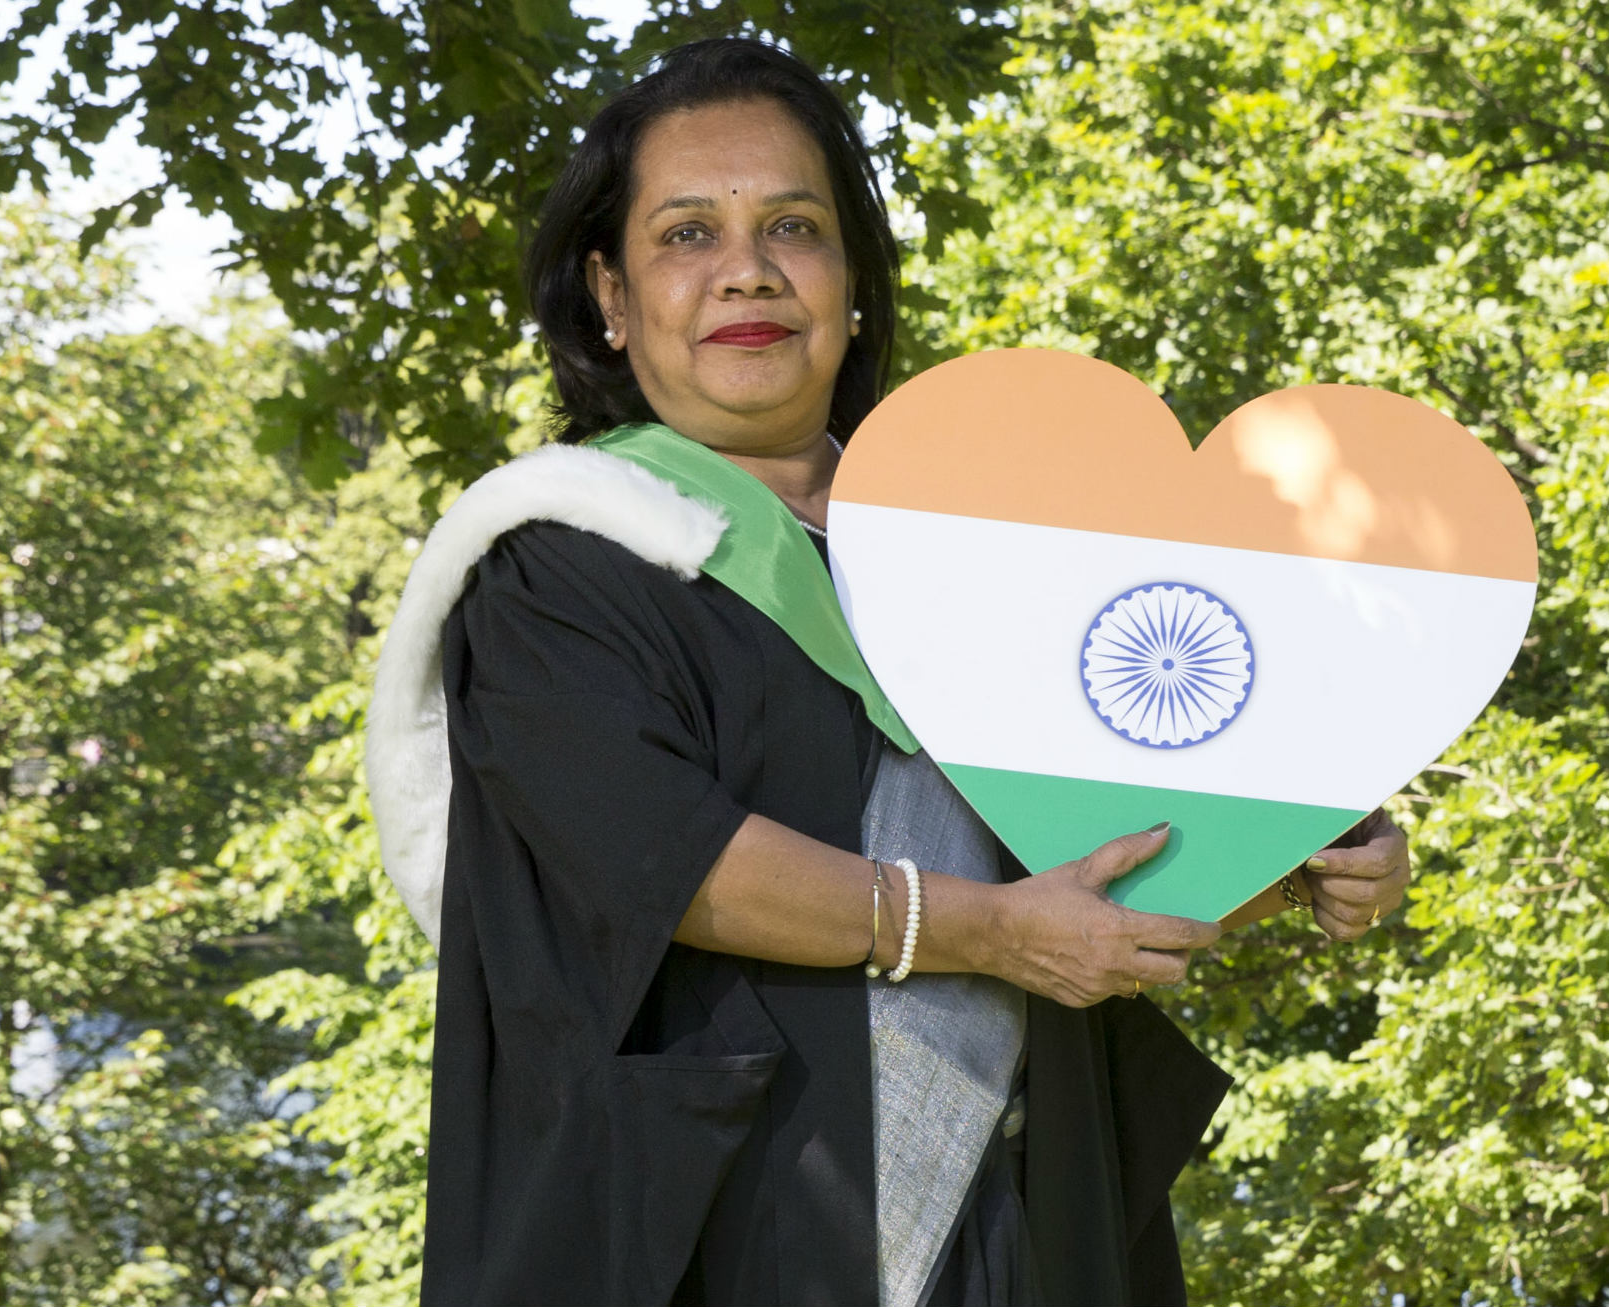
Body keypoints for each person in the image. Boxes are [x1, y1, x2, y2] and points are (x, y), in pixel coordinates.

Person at [359, 37, 1413, 1307]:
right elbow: (669, 863)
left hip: (1032, 1225)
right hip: (727, 1236)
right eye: (685, 234)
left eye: (793, 226)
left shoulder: (985, 553)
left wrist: (1299, 859)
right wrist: (986, 933)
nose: (745, 269)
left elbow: (1089, 867)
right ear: (611, 296)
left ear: (852, 282)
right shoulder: (562, 562)